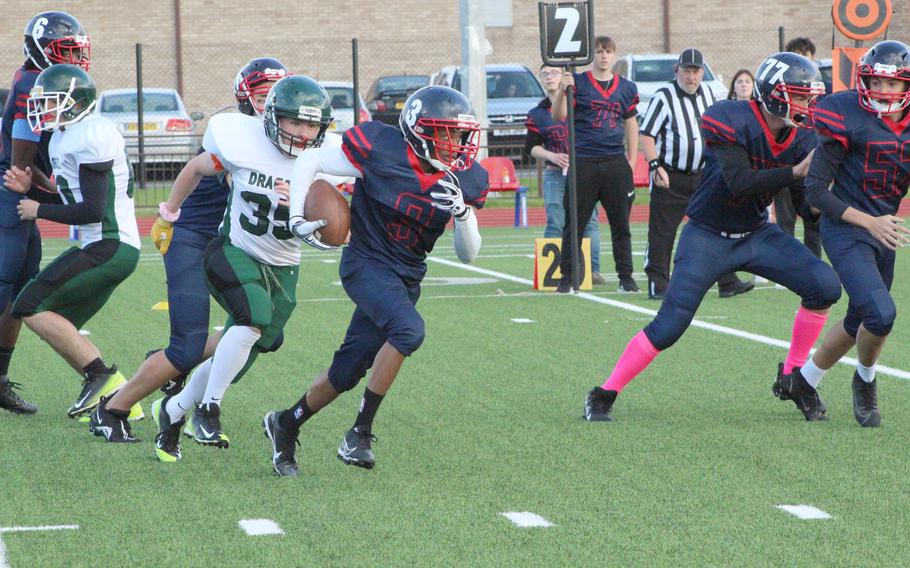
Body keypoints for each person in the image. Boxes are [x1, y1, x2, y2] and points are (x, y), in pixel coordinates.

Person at [582, 53, 841, 422]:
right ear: (775, 93)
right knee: (668, 327)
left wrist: (823, 191)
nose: (808, 106)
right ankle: (604, 392)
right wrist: (796, 171)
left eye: (810, 97)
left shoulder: (803, 138)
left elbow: (805, 208)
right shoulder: (730, 117)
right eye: (800, 96)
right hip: (708, 236)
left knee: (825, 286)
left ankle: (793, 377)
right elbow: (741, 181)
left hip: (755, 234)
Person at [262, 85, 487, 477]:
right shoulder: (380, 149)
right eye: (447, 132)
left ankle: (286, 422)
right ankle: (359, 433)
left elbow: (470, 253)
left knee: (346, 372)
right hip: (365, 263)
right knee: (408, 330)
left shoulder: (463, 178)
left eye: (460, 134)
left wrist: (464, 215)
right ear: (420, 130)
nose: (457, 143)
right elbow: (311, 160)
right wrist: (297, 215)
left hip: (406, 276)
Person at [88, 57, 289, 443]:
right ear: (246, 99)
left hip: (227, 245)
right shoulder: (236, 134)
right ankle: (111, 408)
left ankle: (173, 369)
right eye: (264, 96)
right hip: (194, 241)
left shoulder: (282, 134)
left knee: (263, 333)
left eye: (277, 97)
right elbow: (211, 173)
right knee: (186, 347)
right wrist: (168, 215)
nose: (273, 105)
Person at [148, 75, 341, 462]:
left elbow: (337, 221)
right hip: (234, 250)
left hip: (284, 267)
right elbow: (194, 169)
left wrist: (305, 206)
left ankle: (174, 410)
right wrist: (169, 214)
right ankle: (209, 407)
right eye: (295, 122)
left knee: (251, 341)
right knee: (252, 317)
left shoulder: (325, 160)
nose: (303, 133)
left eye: (311, 125)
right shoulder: (241, 140)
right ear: (272, 118)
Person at [773, 40, 910, 427]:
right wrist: (869, 221)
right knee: (881, 314)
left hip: (883, 230)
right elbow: (816, 192)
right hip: (847, 226)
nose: (883, 92)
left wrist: (880, 223)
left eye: (892, 84)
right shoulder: (843, 112)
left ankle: (804, 380)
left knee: (857, 321)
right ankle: (865, 380)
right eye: (876, 83)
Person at [3, 64, 143, 421]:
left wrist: (37, 209)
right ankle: (119, 397)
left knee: (28, 304)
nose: (42, 110)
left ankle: (99, 376)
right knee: (56, 318)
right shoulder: (69, 133)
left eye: (50, 102)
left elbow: (93, 209)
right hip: (101, 245)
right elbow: (70, 193)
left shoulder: (90, 134)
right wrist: (31, 189)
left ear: (75, 102)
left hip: (109, 244)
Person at [0, 11, 91, 415]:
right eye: (64, 50)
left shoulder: (42, 80)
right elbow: (21, 153)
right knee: (6, 284)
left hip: (20, 188)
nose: (72, 59)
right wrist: (50, 186)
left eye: (75, 51)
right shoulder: (29, 84)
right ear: (40, 49)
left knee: (19, 286)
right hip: (10, 188)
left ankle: (0, 382)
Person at [640, 48, 753, 301]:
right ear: (677, 70)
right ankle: (658, 283)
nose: (691, 76)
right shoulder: (663, 97)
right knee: (663, 231)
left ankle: (727, 281)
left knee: (717, 227)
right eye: (686, 71)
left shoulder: (708, 95)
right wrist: (655, 165)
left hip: (703, 175)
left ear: (702, 72)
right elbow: (646, 135)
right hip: (670, 174)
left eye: (696, 71)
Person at [552, 36, 640, 293]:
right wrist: (560, 92)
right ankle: (567, 276)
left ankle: (626, 276)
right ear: (593, 54)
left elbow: (631, 123)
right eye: (599, 51)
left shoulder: (626, 88)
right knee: (574, 222)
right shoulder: (578, 83)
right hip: (584, 161)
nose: (603, 56)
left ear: (614, 55)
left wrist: (632, 160)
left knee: (621, 223)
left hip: (614, 160)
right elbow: (559, 116)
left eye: (608, 52)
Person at [525, 64, 604, 285]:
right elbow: (531, 147)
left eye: (554, 73)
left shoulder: (580, 105)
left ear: (563, 76)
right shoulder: (538, 113)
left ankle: (592, 270)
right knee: (556, 220)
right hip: (555, 173)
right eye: (545, 74)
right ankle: (556, 269)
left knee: (589, 221)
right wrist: (552, 156)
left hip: (583, 170)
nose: (550, 77)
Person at [773, 37, 823, 258]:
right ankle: (787, 265)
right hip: (785, 163)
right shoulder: (779, 93)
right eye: (797, 56)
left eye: (806, 56)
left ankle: (813, 265)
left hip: (812, 165)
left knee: (815, 220)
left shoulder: (821, 93)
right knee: (786, 221)